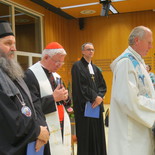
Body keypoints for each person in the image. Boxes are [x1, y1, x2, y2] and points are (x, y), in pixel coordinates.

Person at [0, 20, 50, 155]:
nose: (14, 48)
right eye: (8, 43)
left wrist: (41, 127)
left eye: (14, 43)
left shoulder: (13, 71)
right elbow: (7, 120)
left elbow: (32, 104)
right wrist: (37, 131)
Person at [108, 26, 155, 155]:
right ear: (137, 40)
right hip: (131, 131)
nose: (151, 46)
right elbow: (128, 99)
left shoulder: (137, 61)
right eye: (149, 42)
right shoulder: (126, 62)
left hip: (140, 126)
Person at [24, 42, 72, 155]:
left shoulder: (56, 76)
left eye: (62, 62)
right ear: (46, 57)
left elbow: (67, 102)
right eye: (57, 61)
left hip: (61, 124)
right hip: (43, 127)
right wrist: (53, 98)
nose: (60, 65)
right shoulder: (30, 75)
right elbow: (31, 107)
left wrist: (65, 97)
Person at [71, 42, 107, 155]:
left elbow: (102, 85)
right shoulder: (77, 66)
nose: (91, 51)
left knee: (97, 134)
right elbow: (80, 87)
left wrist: (100, 97)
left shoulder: (96, 68)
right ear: (82, 51)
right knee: (86, 136)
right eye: (88, 49)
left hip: (96, 106)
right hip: (85, 108)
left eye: (92, 49)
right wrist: (94, 97)